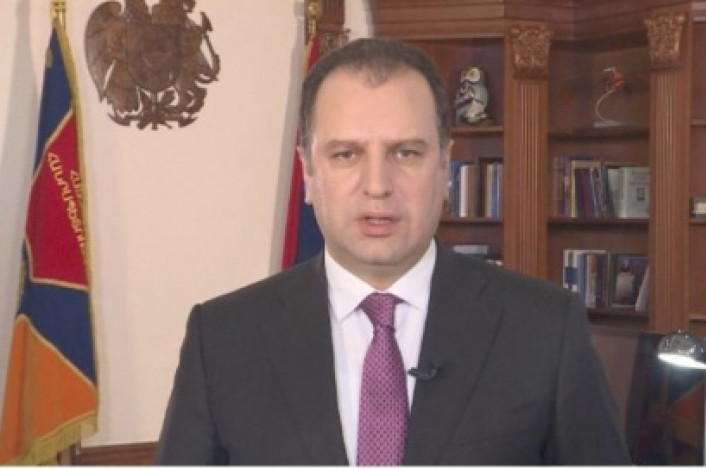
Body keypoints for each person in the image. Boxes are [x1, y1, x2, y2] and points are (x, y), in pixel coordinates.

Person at [155, 37, 631, 465]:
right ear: (309, 173)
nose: (378, 185)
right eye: (346, 154)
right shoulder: (223, 339)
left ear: (444, 165)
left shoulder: (544, 329)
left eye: (406, 153)